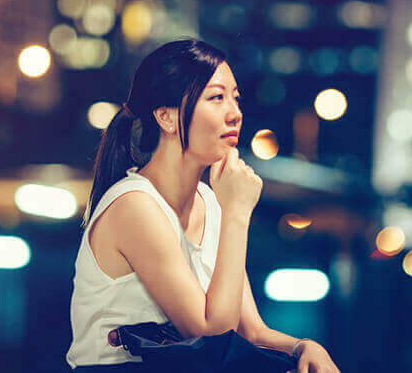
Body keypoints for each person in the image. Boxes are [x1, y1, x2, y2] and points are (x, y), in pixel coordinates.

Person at [66, 39, 339, 372]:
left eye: (235, 98)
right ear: (166, 117)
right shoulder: (135, 205)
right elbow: (211, 336)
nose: (235, 113)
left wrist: (303, 347)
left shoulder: (210, 201)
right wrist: (236, 213)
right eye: (216, 98)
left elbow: (250, 331)